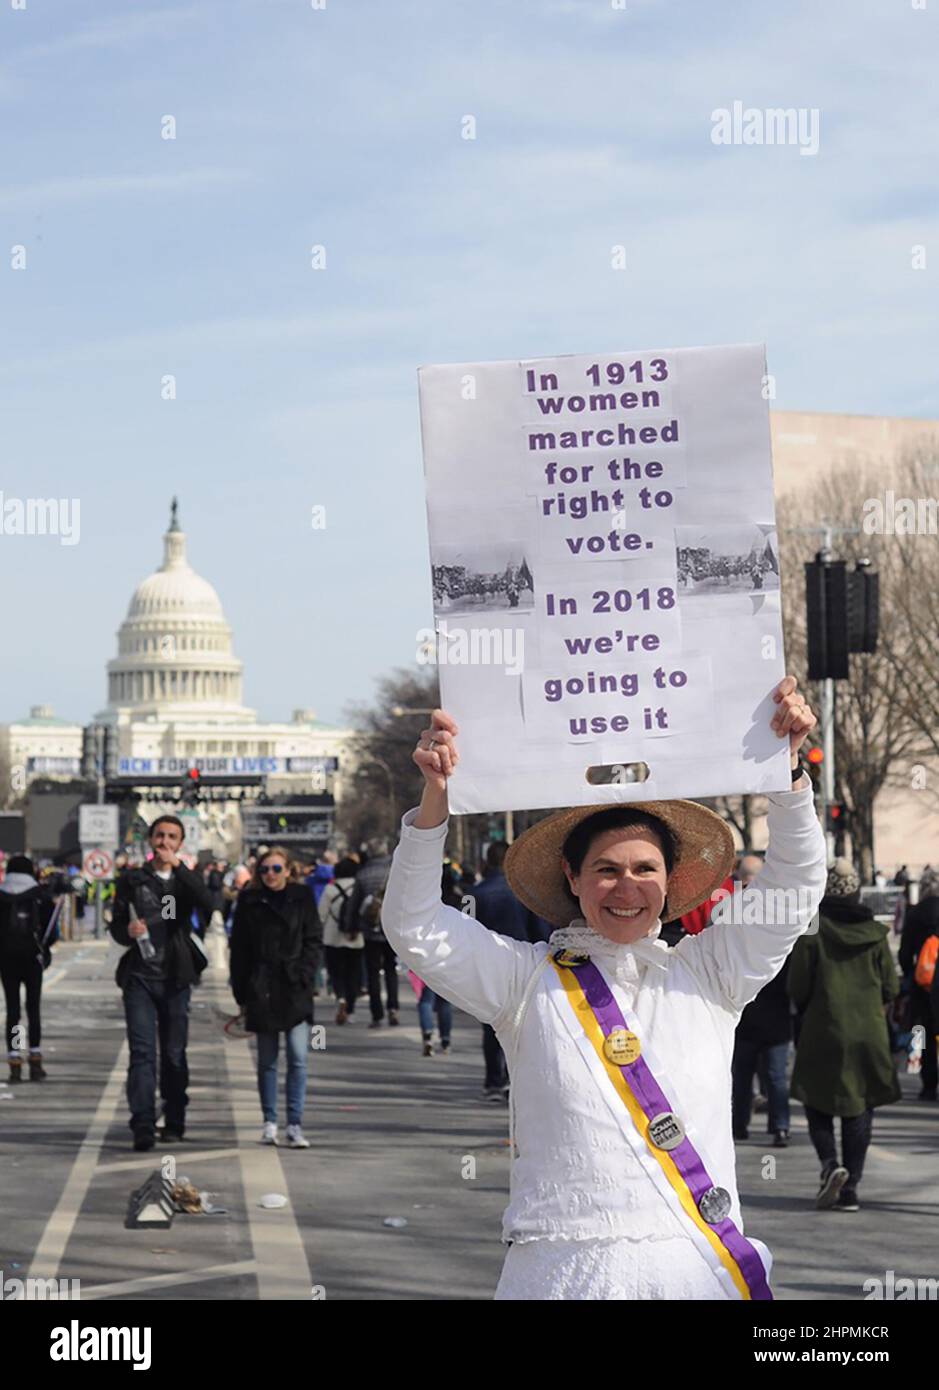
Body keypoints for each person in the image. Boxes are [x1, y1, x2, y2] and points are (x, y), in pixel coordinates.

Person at [381, 676, 826, 1300]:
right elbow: (414, 925)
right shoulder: (524, 982)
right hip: (562, 1275)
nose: (627, 888)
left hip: (695, 1272)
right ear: (573, 876)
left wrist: (789, 775)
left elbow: (795, 886)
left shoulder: (711, 973)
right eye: (606, 870)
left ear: (670, 882)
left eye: (646, 869)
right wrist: (435, 801)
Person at [789, 858, 901, 1213]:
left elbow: (797, 985)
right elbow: (891, 985)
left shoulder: (814, 930)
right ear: (855, 890)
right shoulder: (875, 933)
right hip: (869, 1031)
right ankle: (851, 1186)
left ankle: (829, 1164)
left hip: (823, 1029)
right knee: (860, 1106)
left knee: (816, 1099)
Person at [109, 815, 214, 1150]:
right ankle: (142, 1122)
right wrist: (127, 932)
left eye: (171, 837)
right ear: (150, 840)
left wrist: (180, 869)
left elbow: (209, 905)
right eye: (159, 836)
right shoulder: (132, 880)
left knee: (173, 1053)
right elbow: (116, 925)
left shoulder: (186, 881)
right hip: (140, 975)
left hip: (175, 976)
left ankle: (175, 1118)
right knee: (142, 1053)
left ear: (180, 843)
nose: (164, 842)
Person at [229, 845, 322, 1147]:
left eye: (276, 868)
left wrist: (304, 974)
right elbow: (239, 948)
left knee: (298, 1058)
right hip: (262, 988)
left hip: (294, 987)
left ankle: (294, 1123)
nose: (270, 874)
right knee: (267, 1061)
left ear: (288, 870)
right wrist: (241, 990)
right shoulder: (249, 900)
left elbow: (313, 939)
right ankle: (269, 1121)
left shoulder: (302, 897)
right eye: (265, 869)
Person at [468, 840, 550, 1099]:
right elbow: (541, 931)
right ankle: (519, 1081)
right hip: (524, 964)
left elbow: (464, 930)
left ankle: (494, 1080)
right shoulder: (525, 893)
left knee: (491, 1024)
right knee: (525, 1025)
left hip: (487, 965)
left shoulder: (474, 893)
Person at [0, 855, 57, 1082]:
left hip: (6, 959)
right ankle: (35, 1058)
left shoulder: (1, 896)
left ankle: (14, 1059)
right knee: (33, 1007)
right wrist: (43, 948)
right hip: (33, 959)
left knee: (13, 1010)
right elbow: (51, 932)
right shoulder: (41, 896)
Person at [347, 841, 398, 1029]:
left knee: (373, 973)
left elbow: (354, 903)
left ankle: (377, 1014)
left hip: (370, 930)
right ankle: (393, 1007)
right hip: (392, 929)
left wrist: (351, 926)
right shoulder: (396, 871)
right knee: (391, 970)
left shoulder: (363, 874)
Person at [898, 866, 939, 1100]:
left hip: (924, 981)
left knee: (925, 1031)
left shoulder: (916, 914)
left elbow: (905, 952)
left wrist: (909, 973)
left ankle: (929, 1084)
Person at [318, 856, 363, 1024]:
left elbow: (321, 914)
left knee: (336, 973)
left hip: (332, 937)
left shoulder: (330, 889)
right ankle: (350, 1008)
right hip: (356, 937)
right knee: (353, 973)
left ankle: (340, 998)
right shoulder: (358, 887)